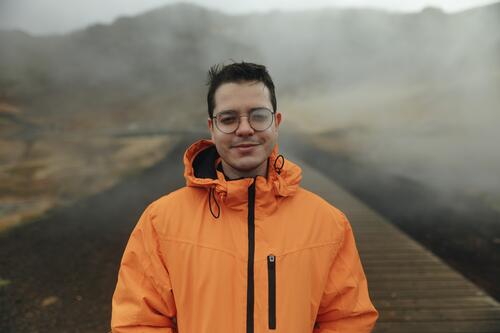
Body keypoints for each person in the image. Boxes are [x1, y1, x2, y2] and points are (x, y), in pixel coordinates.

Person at [111, 62, 378, 332]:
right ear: (212, 128)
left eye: (258, 116)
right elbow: (138, 322)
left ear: (276, 123)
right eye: (228, 118)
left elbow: (347, 320)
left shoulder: (328, 223)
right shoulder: (161, 221)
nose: (244, 129)